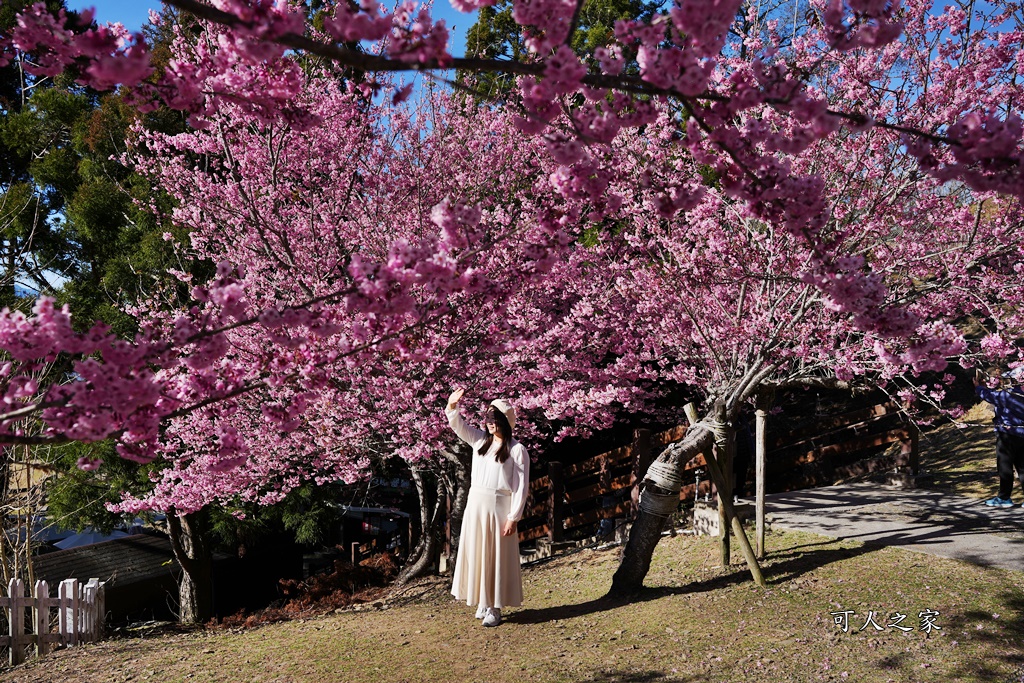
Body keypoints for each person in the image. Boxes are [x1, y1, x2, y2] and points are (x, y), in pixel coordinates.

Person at [445, 388, 530, 627]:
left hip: (498, 508)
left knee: (496, 556)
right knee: (477, 553)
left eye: (495, 419)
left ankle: (495, 606)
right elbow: (459, 427)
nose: (490, 423)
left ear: (505, 421)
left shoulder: (516, 450)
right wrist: (452, 407)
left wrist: (513, 517)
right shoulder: (480, 441)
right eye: (488, 418)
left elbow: (521, 486)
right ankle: (482, 601)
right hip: (476, 506)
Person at [975, 367, 1024, 507]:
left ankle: (1004, 497)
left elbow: (990, 396)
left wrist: (979, 387)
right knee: (1022, 467)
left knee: (1005, 465)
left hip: (1007, 434)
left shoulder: (1008, 395)